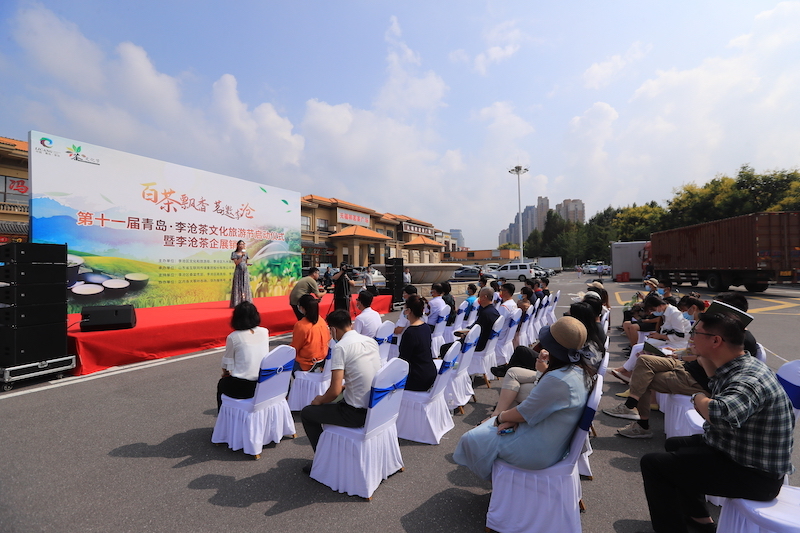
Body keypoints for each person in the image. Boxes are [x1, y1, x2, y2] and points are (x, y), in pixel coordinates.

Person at [639, 312, 794, 533]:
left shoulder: (749, 378)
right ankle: (699, 519)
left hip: (757, 475)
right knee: (675, 445)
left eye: (696, 333)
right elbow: (720, 388)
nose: (691, 337)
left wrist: (698, 398)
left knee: (653, 465)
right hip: (738, 452)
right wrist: (705, 364)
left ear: (715, 341)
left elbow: (721, 414)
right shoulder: (737, 363)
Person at [453, 317, 596, 480]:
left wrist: (500, 418)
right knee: (486, 432)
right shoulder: (579, 370)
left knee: (470, 438)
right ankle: (505, 482)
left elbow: (524, 413)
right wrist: (513, 418)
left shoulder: (558, 379)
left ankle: (502, 482)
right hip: (552, 440)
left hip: (538, 451)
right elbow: (530, 411)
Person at [603, 292, 759, 439]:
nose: (712, 314)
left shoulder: (737, 340)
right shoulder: (729, 334)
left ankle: (640, 421)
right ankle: (632, 407)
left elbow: (716, 373)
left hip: (694, 379)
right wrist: (683, 353)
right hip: (686, 366)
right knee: (644, 360)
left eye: (716, 309)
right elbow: (697, 352)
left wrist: (695, 356)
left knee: (644, 377)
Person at [300, 310, 382, 470]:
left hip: (356, 414)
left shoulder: (341, 347)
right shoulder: (370, 341)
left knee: (308, 413)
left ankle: (323, 461)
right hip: (377, 406)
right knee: (338, 401)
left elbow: (334, 392)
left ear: (333, 330)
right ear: (350, 324)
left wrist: (319, 400)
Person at [611, 293, 690, 383]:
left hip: (677, 343)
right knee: (636, 347)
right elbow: (669, 330)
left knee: (642, 349)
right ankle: (626, 371)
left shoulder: (674, 314)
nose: (653, 312)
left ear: (660, 305)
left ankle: (625, 371)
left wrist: (660, 336)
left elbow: (680, 335)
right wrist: (658, 335)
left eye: (653, 309)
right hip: (669, 340)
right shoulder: (667, 312)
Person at [216, 301, 269, 410]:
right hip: (263, 382)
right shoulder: (264, 332)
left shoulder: (234, 337)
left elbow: (226, 366)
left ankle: (224, 419)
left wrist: (226, 374)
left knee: (222, 384)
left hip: (244, 387)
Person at [397, 294, 437, 391]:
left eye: (405, 309)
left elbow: (403, 359)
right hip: (430, 372)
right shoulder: (426, 327)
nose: (404, 312)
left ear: (409, 311)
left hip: (417, 378)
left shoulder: (410, 333)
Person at [290, 294, 331, 372]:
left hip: (307, 364)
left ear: (302, 308)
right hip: (322, 360)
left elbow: (295, 348)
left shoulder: (301, 325)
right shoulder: (321, 320)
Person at [229, 240, 253, 308]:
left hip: (245, 271)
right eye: (240, 244)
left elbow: (245, 262)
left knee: (245, 286)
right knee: (238, 286)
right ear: (237, 245)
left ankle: (246, 302)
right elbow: (236, 263)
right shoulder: (234, 253)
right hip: (238, 271)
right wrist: (241, 256)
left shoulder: (246, 253)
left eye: (243, 244)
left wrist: (247, 264)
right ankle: (237, 303)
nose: (242, 245)